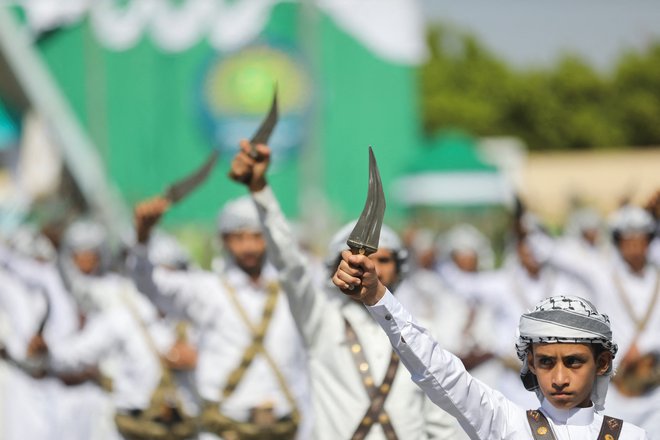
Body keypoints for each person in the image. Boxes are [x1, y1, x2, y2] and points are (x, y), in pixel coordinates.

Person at [228, 140, 462, 439]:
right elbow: (290, 265)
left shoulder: (421, 329)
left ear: (400, 267)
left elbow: (441, 419)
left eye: (384, 260)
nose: (371, 267)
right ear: (335, 267)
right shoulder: (320, 319)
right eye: (360, 260)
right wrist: (260, 188)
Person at [332, 250, 650, 439]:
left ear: (603, 362)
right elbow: (439, 370)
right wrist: (377, 298)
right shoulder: (504, 423)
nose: (559, 378)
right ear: (529, 363)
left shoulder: (632, 436)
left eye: (574, 361)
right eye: (546, 362)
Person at [131, 193, 312, 440]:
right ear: (224, 240)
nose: (248, 246)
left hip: (285, 428)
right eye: (238, 237)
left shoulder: (292, 289)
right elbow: (149, 285)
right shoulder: (207, 289)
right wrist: (142, 238)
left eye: (257, 237)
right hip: (224, 428)